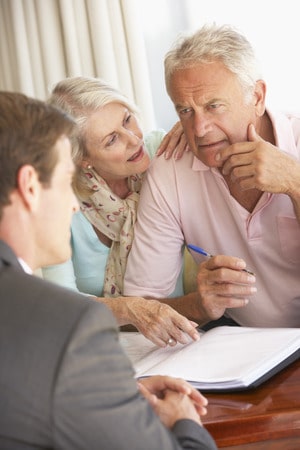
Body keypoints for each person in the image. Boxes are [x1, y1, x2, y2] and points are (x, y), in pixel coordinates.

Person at [0, 91, 218, 450]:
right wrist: (183, 421)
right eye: (63, 180)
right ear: (28, 186)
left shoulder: (158, 151)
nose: (73, 204)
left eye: (128, 122)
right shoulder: (68, 324)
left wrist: (104, 394)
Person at [123, 23, 300, 329]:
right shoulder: (171, 169)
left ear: (257, 97)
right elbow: (141, 306)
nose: (200, 130)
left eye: (213, 106)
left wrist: (295, 183)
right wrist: (199, 305)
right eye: (185, 111)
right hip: (251, 352)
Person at [42, 76, 199, 347]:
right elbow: (60, 305)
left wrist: (192, 127)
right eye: (111, 139)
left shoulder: (162, 149)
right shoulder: (58, 203)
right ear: (83, 159)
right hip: (103, 345)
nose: (133, 138)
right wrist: (129, 309)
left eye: (127, 119)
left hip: (183, 334)